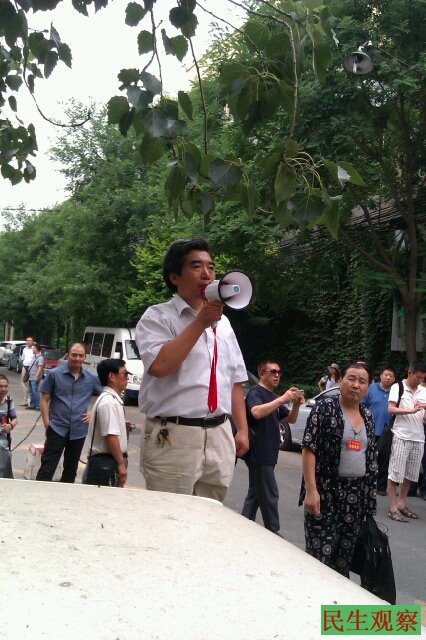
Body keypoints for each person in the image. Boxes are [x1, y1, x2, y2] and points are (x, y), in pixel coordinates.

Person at [136, 237, 249, 502]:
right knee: (171, 514)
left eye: (211, 267)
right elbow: (160, 366)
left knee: (210, 514)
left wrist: (242, 430)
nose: (207, 274)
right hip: (174, 435)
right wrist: (200, 322)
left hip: (220, 433)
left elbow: (235, 380)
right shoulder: (157, 317)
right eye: (196, 266)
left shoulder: (224, 324)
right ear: (174, 276)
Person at [300, 362, 377, 577]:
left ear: (368, 387)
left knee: (344, 559)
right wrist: (311, 491)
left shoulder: (368, 416)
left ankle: (335, 599)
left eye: (362, 381)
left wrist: (368, 502)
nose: (356, 385)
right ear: (340, 380)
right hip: (325, 492)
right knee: (319, 556)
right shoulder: (324, 408)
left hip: (355, 496)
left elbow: (371, 459)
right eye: (351, 378)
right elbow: (309, 448)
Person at [241, 360, 303, 534]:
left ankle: (243, 525)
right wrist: (283, 398)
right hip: (258, 452)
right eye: (273, 372)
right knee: (270, 493)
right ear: (262, 373)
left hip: (269, 452)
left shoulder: (273, 397)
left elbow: (290, 419)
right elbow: (256, 412)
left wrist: (296, 404)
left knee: (256, 492)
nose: (277, 375)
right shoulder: (256, 392)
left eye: (279, 372)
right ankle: (273, 530)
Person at [36, 342, 103, 483]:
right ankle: (39, 494)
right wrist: (47, 424)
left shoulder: (91, 378)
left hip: (79, 430)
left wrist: (93, 413)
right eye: (74, 355)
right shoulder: (54, 374)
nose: (77, 358)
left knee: (71, 469)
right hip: (56, 427)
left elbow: (106, 396)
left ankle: (65, 495)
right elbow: (44, 399)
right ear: (68, 355)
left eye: (80, 355)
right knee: (47, 467)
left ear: (85, 357)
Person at [387, 361, 426, 522]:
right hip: (401, 435)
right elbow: (391, 409)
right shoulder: (397, 387)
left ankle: (402, 504)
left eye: (423, 378)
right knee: (395, 473)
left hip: (418, 437)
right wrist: (412, 410)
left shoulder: (424, 391)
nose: (420, 380)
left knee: (410, 474)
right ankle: (393, 507)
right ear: (410, 373)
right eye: (418, 377)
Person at [84, 359, 128, 488]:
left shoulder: (110, 399)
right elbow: (111, 436)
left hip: (107, 461)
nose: (127, 378)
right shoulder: (108, 402)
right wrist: (121, 464)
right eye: (125, 374)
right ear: (111, 376)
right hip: (106, 463)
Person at [362, 366, 396, 495]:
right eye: (386, 375)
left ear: (394, 379)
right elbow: (362, 406)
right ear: (381, 376)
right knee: (367, 458)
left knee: (384, 459)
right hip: (369, 429)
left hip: (387, 432)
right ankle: (365, 484)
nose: (388, 377)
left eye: (391, 376)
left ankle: (381, 487)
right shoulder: (371, 388)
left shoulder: (396, 392)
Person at [0, 374, 17, 478]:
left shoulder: (9, 400)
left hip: (3, 441)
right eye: (0, 386)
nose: (3, 389)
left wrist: (10, 425)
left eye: (5, 386)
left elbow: (15, 419)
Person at [27, 342, 44, 411]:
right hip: (31, 377)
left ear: (37, 349)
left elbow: (40, 367)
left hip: (35, 377)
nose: (32, 350)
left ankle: (38, 406)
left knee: (35, 391)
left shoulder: (40, 357)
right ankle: (33, 404)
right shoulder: (35, 357)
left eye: (33, 348)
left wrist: (37, 375)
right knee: (31, 391)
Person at [20, 336, 34, 407]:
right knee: (23, 383)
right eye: (27, 340)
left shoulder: (34, 349)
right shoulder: (24, 349)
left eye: (30, 340)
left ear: (32, 341)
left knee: (31, 384)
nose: (28, 342)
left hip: (31, 368)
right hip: (24, 367)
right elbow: (23, 358)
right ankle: (25, 400)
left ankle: (30, 401)